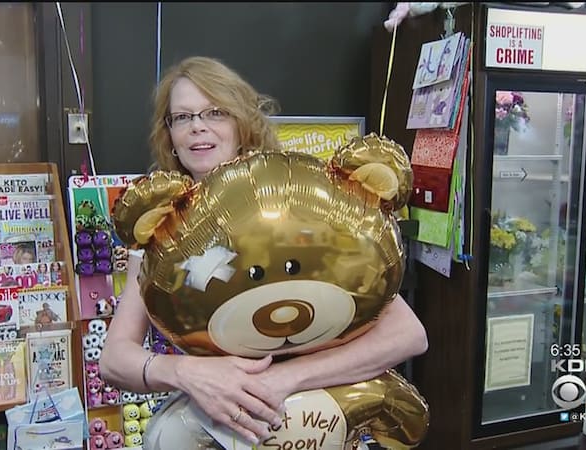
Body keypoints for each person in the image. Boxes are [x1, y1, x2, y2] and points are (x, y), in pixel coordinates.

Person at [99, 56, 428, 445]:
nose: (197, 126)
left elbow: (407, 335)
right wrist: (187, 373)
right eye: (182, 117)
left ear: (242, 123)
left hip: (315, 422)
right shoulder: (164, 231)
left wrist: (282, 380)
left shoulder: (295, 204)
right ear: (168, 132)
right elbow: (114, 358)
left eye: (214, 112)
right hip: (221, 424)